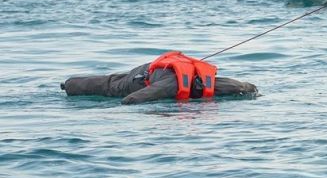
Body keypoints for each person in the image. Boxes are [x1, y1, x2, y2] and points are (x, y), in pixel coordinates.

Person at [61, 51, 258, 105]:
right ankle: (69, 85)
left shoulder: (212, 82)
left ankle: (69, 83)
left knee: (109, 79)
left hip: (155, 71)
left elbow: (242, 86)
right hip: (137, 80)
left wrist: (250, 88)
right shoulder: (171, 86)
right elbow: (131, 99)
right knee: (109, 86)